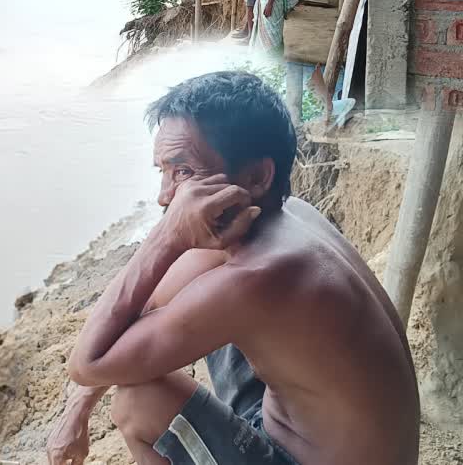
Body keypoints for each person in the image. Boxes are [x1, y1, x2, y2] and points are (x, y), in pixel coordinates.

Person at [46, 71, 419, 465]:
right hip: (292, 424)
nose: (164, 198)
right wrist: (78, 408)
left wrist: (164, 238)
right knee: (187, 292)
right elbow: (149, 301)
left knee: (140, 401)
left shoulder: (260, 277)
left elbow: (88, 362)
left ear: (257, 176)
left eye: (184, 172)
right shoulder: (286, 215)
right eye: (164, 172)